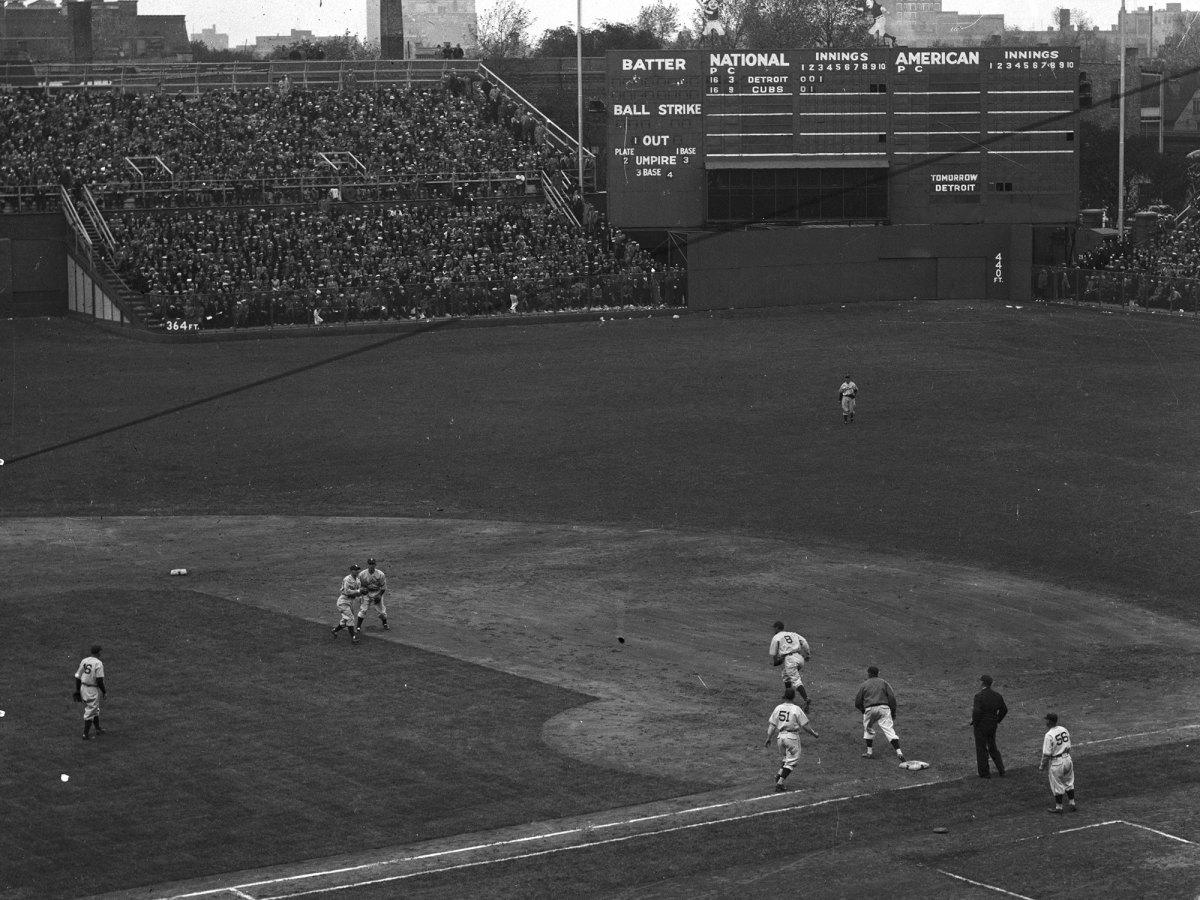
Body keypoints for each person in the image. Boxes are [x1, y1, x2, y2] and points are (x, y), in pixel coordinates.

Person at [765, 686, 819, 792]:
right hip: (792, 738)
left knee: (787, 758)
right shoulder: (796, 709)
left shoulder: (778, 708)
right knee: (792, 761)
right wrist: (814, 734)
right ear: (794, 697)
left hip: (780, 738)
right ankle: (779, 783)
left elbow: (772, 725)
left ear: (784, 696)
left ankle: (779, 775)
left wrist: (768, 738)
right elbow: (805, 725)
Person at [854, 665, 906, 762]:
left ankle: (869, 752)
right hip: (883, 708)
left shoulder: (864, 685)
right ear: (878, 673)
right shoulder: (884, 683)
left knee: (868, 729)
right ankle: (899, 753)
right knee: (889, 730)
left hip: (869, 709)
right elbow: (892, 698)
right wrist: (893, 712)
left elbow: (857, 702)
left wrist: (863, 711)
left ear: (868, 673)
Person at [768, 621, 812, 710]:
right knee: (785, 675)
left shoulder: (776, 637)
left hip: (790, 660)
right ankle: (786, 696)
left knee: (795, 679)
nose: (773, 629)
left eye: (774, 628)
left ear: (777, 628)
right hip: (799, 658)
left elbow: (774, 655)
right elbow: (804, 642)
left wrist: (776, 662)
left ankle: (806, 699)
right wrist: (807, 655)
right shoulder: (793, 634)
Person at [970, 674, 1008, 778]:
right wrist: (997, 720)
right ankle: (1001, 770)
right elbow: (1004, 710)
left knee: (981, 748)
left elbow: (977, 712)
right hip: (992, 725)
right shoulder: (997, 695)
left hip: (981, 726)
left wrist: (975, 722)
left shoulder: (979, 696)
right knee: (993, 747)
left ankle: (984, 773)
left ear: (982, 683)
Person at [1039, 712, 1076, 813]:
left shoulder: (1049, 735)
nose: (1045, 721)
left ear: (1050, 721)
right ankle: (1072, 803)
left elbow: (1046, 754)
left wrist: (1042, 766)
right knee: (1069, 782)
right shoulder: (1063, 729)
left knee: (1057, 785)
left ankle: (1059, 807)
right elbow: (1069, 744)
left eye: (1047, 720)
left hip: (1057, 762)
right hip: (1068, 758)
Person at [73, 645, 107, 740]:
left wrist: (77, 690)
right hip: (92, 690)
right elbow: (99, 680)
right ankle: (85, 734)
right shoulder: (98, 663)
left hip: (83, 687)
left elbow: (77, 675)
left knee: (95, 708)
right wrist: (104, 692)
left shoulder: (85, 660)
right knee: (91, 710)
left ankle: (97, 729)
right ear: (98, 652)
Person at [331, 564, 364, 644]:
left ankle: (335, 630)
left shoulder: (358, 580)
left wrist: (362, 594)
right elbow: (346, 592)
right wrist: (358, 592)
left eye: (358, 570)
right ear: (351, 571)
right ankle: (353, 637)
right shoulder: (347, 579)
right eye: (355, 570)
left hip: (351, 602)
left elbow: (358, 593)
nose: (357, 571)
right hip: (343, 601)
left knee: (346, 619)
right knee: (350, 618)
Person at [356, 557, 389, 632]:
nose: (371, 565)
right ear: (367, 565)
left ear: (375, 565)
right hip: (366, 593)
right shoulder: (362, 574)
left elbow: (383, 587)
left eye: (373, 564)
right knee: (363, 610)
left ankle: (385, 623)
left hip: (377, 592)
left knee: (382, 612)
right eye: (370, 564)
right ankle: (358, 626)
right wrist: (361, 591)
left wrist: (380, 595)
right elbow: (358, 585)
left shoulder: (380, 574)